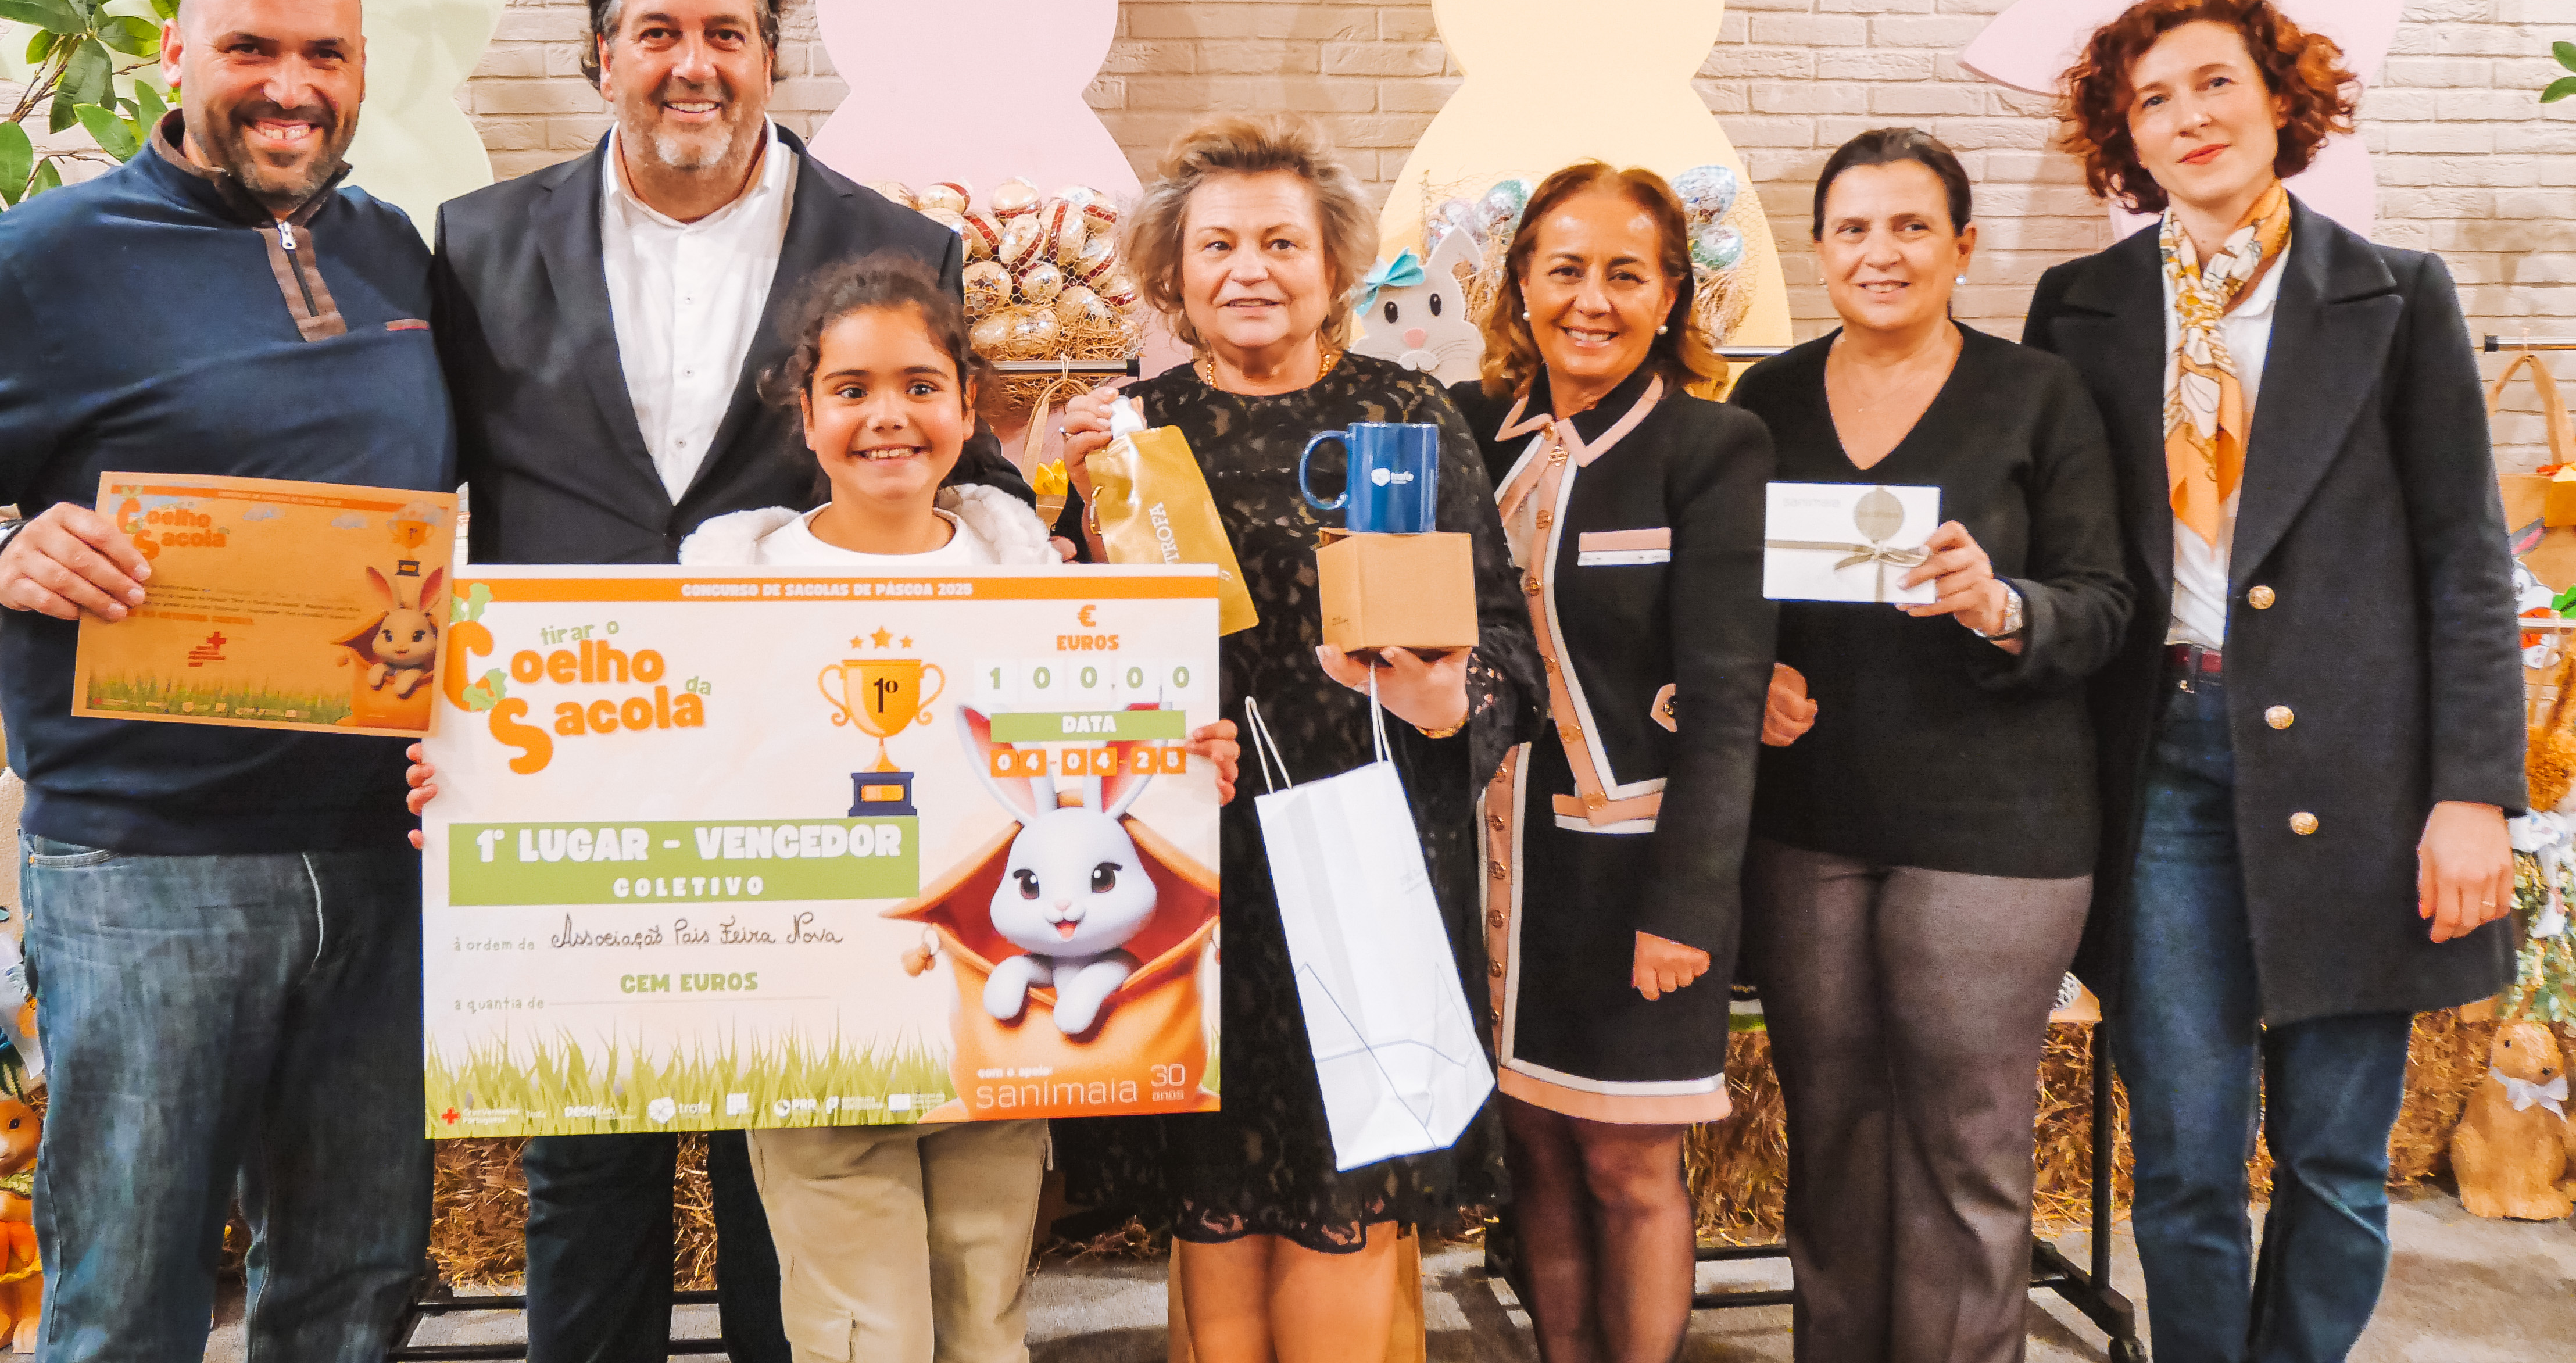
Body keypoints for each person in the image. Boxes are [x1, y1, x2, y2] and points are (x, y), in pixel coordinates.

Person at [410, 254, 1237, 1363]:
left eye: (920, 386)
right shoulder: (724, 594)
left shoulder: (1034, 586)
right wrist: (476, 793)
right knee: (862, 1329)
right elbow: (636, 768)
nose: (887, 417)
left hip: (994, 1032)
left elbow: (1096, 779)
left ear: (966, 406)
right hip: (813, 1044)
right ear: (805, 417)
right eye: (851, 390)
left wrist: (1186, 771)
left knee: (985, 1314)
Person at [424, 0, 1031, 1363]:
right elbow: (425, 492)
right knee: (587, 1163)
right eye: (658, 33)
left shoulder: (894, 243)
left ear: (771, 55)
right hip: (569, 766)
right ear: (602, 54)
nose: (692, 65)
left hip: (804, 779)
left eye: (727, 33)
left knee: (794, 1165)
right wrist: (425, 712)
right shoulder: (478, 242)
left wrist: (1101, 666)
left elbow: (955, 475)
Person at [0, 0, 448, 1362]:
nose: (289, 84)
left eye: (324, 53)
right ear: (174, 56)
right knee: (129, 1289)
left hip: (381, 849)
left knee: (357, 1277)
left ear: (362, 70)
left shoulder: (393, 248)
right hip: (146, 863)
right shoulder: (50, 258)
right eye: (250, 48)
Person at [2022, 0, 2521, 1363]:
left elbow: (2466, 559)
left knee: (2334, 1161)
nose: (2189, 117)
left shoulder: (2394, 294)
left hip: (2362, 776)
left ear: (2279, 100)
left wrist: (2474, 792)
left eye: (2215, 82)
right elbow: (2050, 543)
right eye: (2153, 99)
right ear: (2127, 139)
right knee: (2185, 1157)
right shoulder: (2081, 307)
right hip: (2161, 760)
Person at [1053, 116, 1539, 1363]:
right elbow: (1071, 666)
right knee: (1213, 1200)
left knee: (1345, 1201)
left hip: (1372, 859)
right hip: (1191, 869)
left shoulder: (1407, 414)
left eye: (1282, 241)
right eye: (1218, 244)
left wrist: (1450, 701)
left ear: (1333, 266)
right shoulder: (1127, 435)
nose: (1250, 269)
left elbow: (1504, 641)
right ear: (1173, 272)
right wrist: (1060, 519)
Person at [1728, 128, 2131, 1363]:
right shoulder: (1766, 400)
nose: (1881, 252)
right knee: (1832, 1133)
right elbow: (1725, 598)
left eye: (1912, 226)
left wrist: (2000, 603)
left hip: (1994, 828)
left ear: (1964, 247)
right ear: (1818, 249)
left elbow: (2104, 603)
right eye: (1853, 228)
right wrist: (1750, 679)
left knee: (1968, 1141)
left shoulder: (2038, 395)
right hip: (1807, 821)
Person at [1444, 163, 1774, 1363]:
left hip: (1636, 869)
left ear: (1672, 293)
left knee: (1629, 1161)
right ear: (1521, 284)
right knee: (1534, 1146)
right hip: (1491, 863)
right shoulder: (1464, 427)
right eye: (1566, 269)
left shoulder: (1713, 445)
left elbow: (1728, 700)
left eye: (1626, 274)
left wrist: (1687, 905)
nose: (1592, 299)